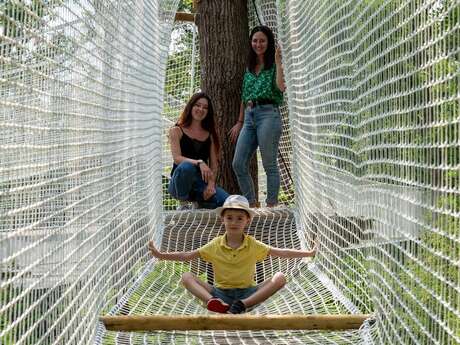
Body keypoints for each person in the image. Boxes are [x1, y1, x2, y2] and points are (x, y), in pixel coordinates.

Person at [148, 195, 317, 314]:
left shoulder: (252, 244)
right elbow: (188, 255)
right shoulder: (215, 244)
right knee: (186, 276)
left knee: (280, 277)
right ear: (222, 219)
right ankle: (212, 303)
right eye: (229, 218)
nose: (234, 222)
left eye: (239, 218)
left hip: (249, 292)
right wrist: (161, 255)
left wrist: (308, 253)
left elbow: (280, 252)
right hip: (219, 293)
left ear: (247, 221)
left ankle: (243, 305)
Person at [230, 25, 286, 208]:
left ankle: (271, 206)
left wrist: (278, 62)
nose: (258, 44)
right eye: (255, 40)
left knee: (269, 164)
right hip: (249, 117)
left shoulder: (273, 65)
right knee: (238, 163)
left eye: (262, 40)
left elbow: (281, 88)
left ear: (268, 42)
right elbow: (244, 96)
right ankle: (252, 204)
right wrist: (240, 121)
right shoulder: (249, 67)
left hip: (268, 115)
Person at [168, 92, 229, 210]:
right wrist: (199, 162)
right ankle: (183, 205)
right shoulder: (176, 130)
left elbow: (214, 166)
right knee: (186, 167)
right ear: (191, 106)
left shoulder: (210, 135)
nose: (201, 109)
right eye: (197, 105)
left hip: (201, 184)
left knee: (226, 201)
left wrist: (211, 185)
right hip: (179, 183)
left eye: (205, 107)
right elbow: (177, 158)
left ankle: (199, 202)